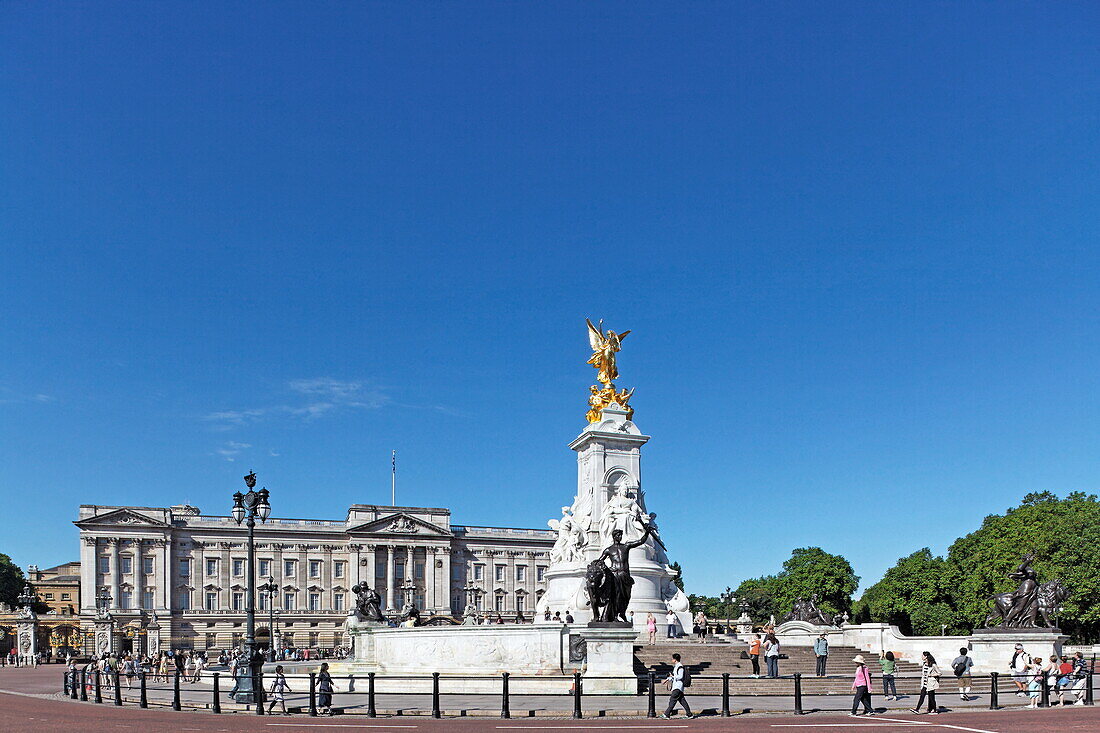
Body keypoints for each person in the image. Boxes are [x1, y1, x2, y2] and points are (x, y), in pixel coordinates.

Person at [659, 653, 696, 719]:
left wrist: (672, 676)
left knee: (672, 700)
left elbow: (680, 676)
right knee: (682, 701)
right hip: (677, 687)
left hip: (678, 686)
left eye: (672, 658)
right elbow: (673, 676)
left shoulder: (680, 667)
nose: (671, 660)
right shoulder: (676, 666)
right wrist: (666, 680)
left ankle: (666, 714)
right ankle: (689, 714)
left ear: (675, 660)